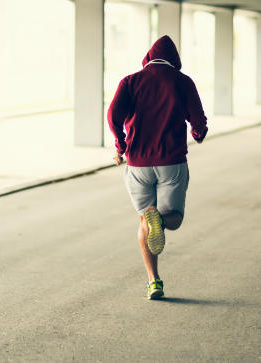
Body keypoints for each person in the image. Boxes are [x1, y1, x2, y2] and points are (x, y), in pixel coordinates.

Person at [107, 35, 208, 300]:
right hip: (171, 162)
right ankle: (161, 219)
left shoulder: (130, 81)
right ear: (176, 61)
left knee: (145, 221)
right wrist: (198, 132)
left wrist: (120, 145)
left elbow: (113, 115)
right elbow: (198, 119)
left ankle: (154, 281)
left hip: (138, 164)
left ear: (148, 58)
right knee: (173, 219)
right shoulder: (183, 82)